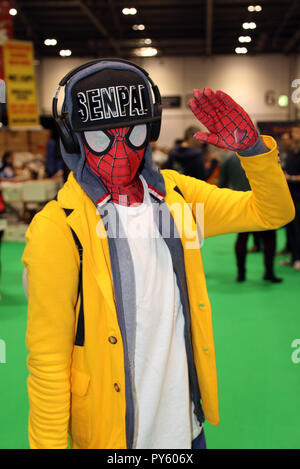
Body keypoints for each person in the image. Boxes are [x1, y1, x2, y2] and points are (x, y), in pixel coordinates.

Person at [22, 59, 295, 450]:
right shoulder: (58, 230)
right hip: (111, 438)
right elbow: (48, 362)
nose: (121, 149)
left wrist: (253, 151)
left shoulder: (176, 198)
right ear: (73, 139)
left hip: (186, 429)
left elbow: (274, 212)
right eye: (100, 137)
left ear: (149, 129)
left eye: (131, 133)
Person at [219, 152, 283, 283]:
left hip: (240, 203)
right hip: (264, 203)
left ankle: (241, 274)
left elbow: (222, 184)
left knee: (242, 238)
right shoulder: (264, 155)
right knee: (269, 238)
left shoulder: (229, 158)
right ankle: (269, 273)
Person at [281, 125, 300, 271]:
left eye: (296, 132)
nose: (294, 135)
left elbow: (293, 176)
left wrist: (291, 178)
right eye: (293, 132)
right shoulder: (291, 153)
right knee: (290, 229)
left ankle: (298, 258)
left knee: (298, 229)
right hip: (290, 197)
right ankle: (293, 256)